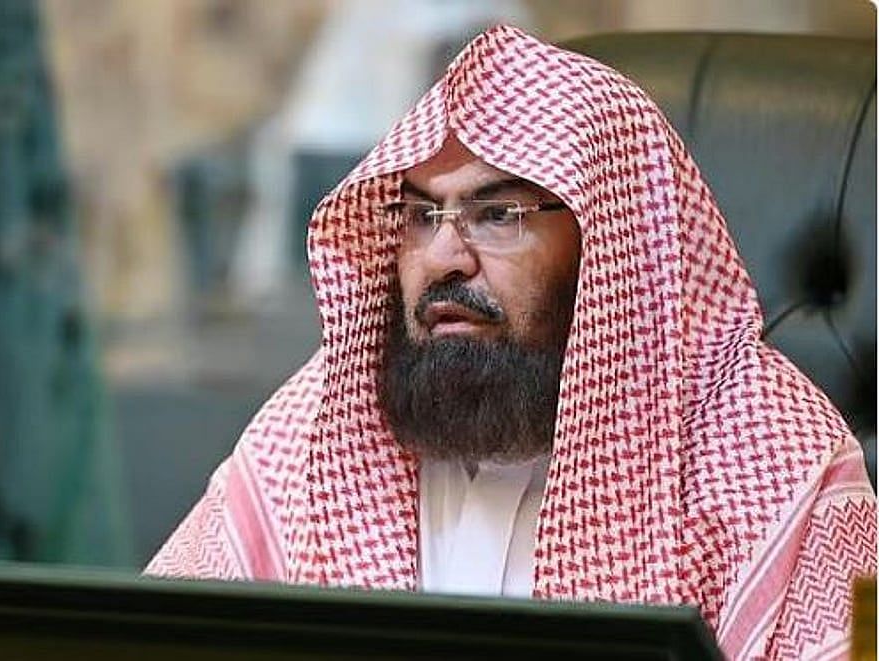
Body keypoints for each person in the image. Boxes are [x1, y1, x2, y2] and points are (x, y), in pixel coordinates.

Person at [145, 25, 876, 659]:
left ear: (606, 244)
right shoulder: (320, 426)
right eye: (421, 216)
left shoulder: (773, 460)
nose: (443, 258)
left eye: (497, 215)